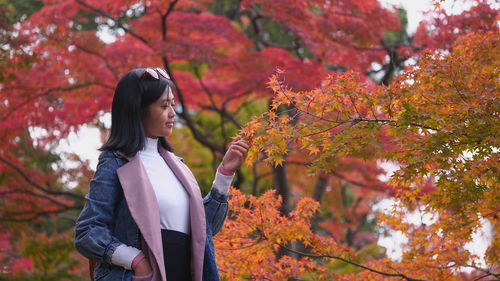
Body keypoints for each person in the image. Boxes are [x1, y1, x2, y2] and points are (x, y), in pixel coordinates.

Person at [74, 67, 249, 281]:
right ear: (138, 110)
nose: (172, 113)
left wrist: (225, 174)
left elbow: (205, 230)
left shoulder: (177, 166)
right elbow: (88, 231)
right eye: (164, 105)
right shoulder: (115, 162)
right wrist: (136, 260)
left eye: (172, 105)